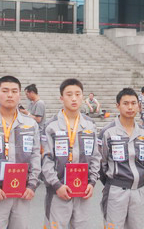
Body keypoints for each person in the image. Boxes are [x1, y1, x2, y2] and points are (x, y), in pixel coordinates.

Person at [0, 76, 41, 229]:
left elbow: (36, 156)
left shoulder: (30, 124)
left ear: (19, 95)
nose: (10, 95)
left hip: (22, 191)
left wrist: (32, 185)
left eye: (14, 91)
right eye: (5, 91)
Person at [41, 78, 101, 229]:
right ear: (61, 98)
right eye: (69, 94)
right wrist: (56, 185)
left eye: (77, 94)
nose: (74, 98)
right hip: (58, 191)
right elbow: (45, 159)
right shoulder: (51, 126)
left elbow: (95, 156)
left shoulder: (90, 125)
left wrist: (92, 182)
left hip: (83, 190)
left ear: (82, 97)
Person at [99, 88, 144, 229]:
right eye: (125, 103)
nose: (130, 107)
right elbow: (101, 163)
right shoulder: (107, 132)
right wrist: (112, 182)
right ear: (118, 106)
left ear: (138, 106)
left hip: (138, 191)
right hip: (116, 191)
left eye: (133, 103)